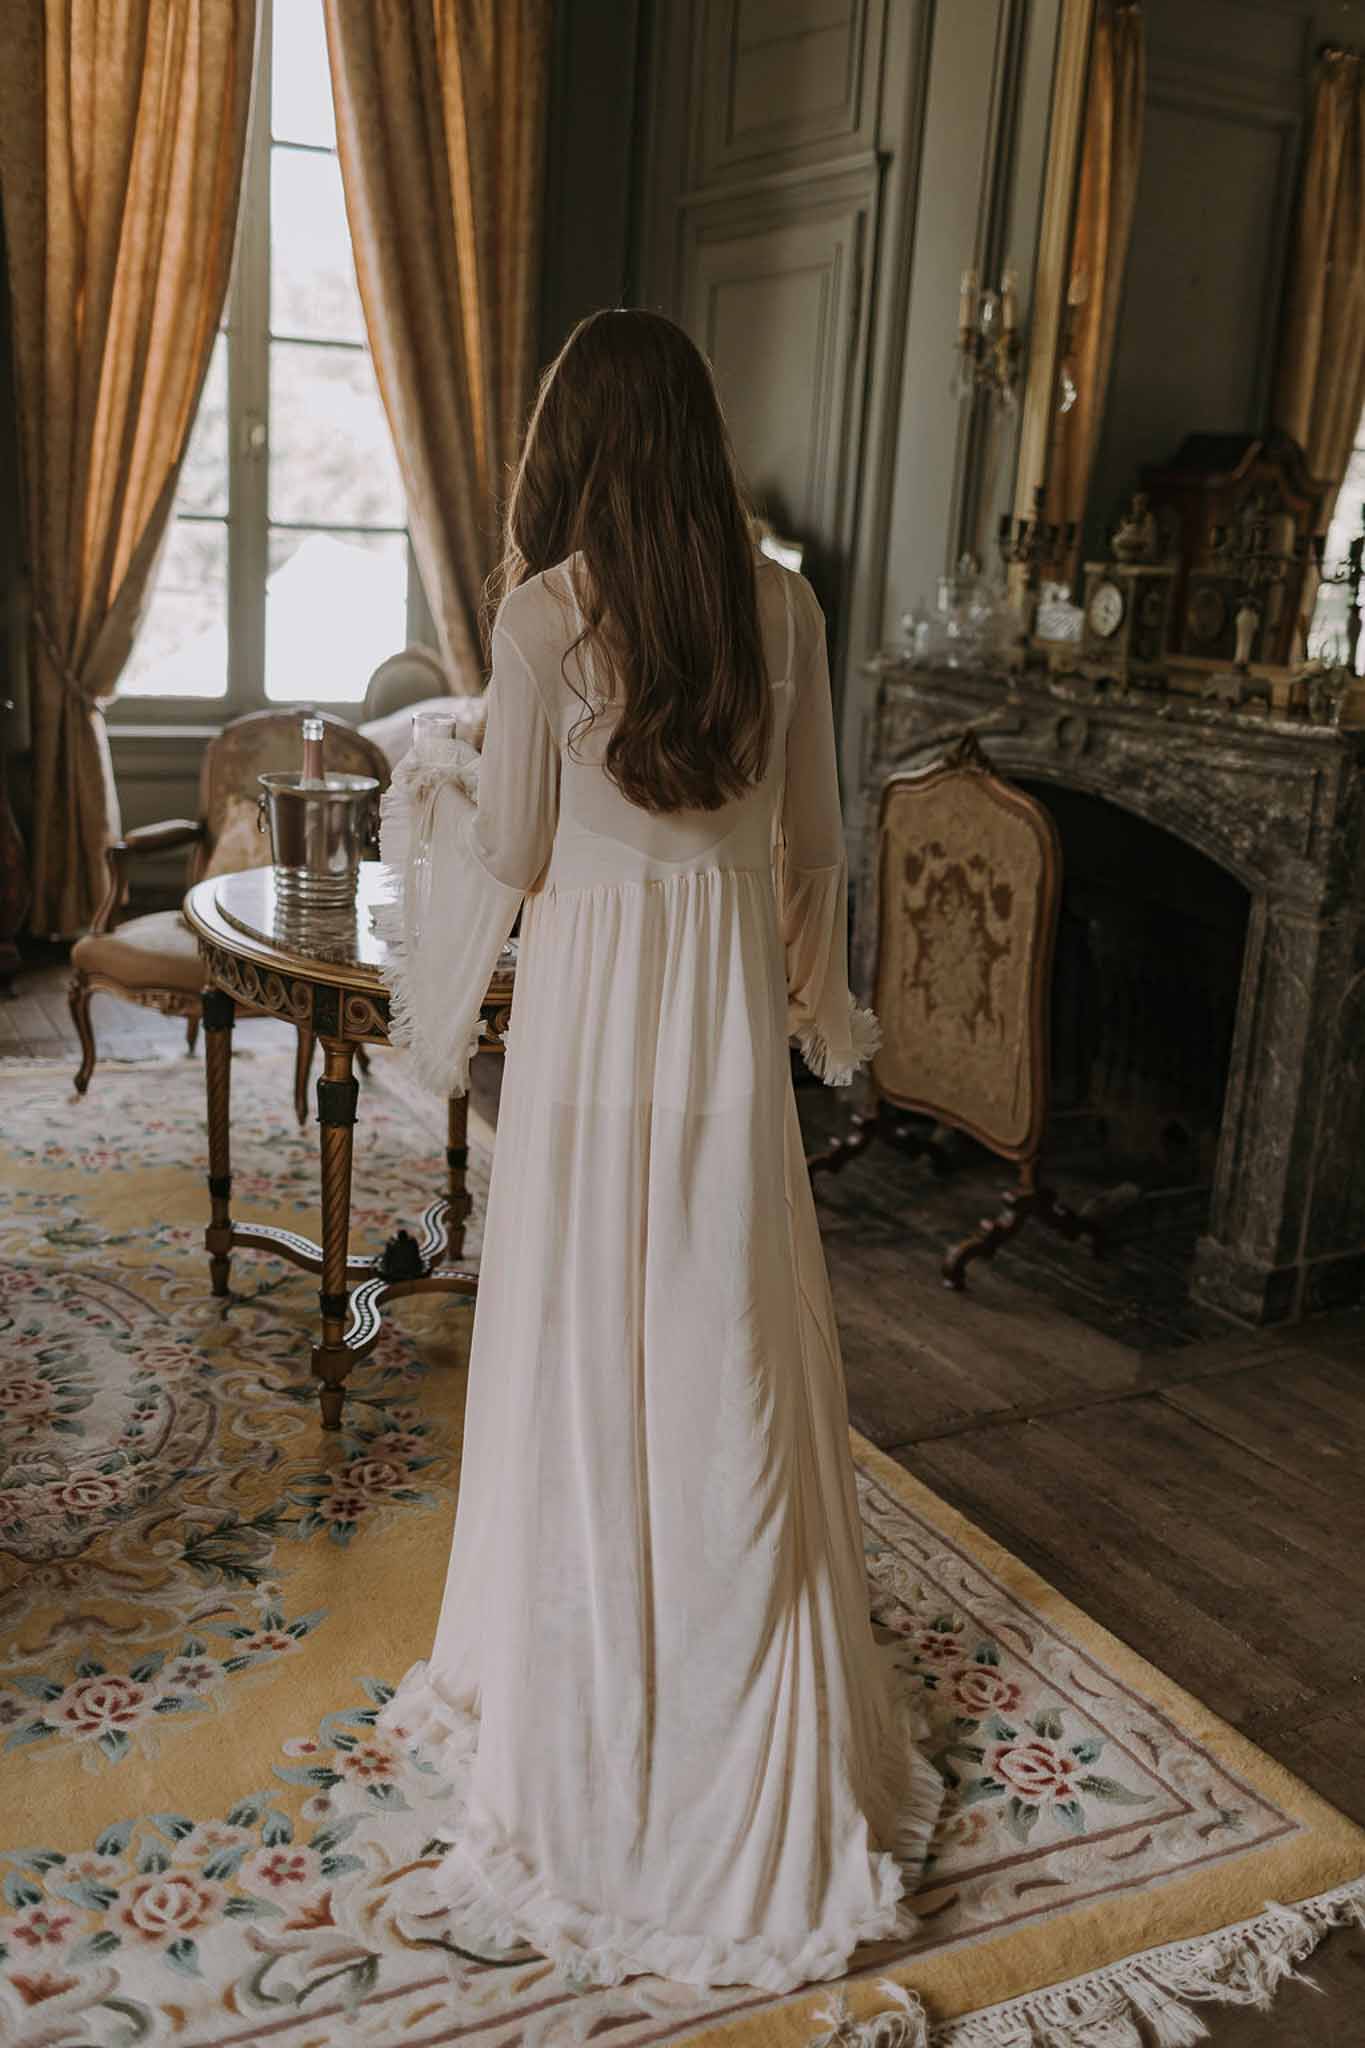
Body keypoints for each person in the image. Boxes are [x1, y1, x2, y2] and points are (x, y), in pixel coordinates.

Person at [374, 307, 943, 1993]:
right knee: (725, 1353)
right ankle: (733, 1665)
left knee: (579, 1355)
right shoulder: (782, 606)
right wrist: (816, 1013)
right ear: (696, 438)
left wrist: (447, 786)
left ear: (571, 446)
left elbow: (520, 853)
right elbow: (816, 849)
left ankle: (587, 1687)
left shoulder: (544, 616)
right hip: (718, 1047)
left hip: (587, 1043)